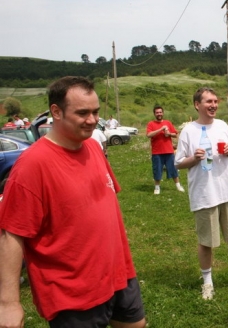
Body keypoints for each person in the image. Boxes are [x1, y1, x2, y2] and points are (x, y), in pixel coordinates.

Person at [0, 76, 146, 328]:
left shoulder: (91, 147)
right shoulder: (32, 165)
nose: (92, 120)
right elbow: (11, 234)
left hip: (117, 272)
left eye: (96, 112)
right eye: (82, 113)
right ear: (56, 112)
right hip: (73, 291)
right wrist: (8, 303)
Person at [175, 87, 228, 300]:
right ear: (197, 105)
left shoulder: (221, 126)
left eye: (215, 101)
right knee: (206, 242)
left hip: (226, 191)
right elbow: (178, 163)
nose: (213, 105)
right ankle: (208, 283)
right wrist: (194, 159)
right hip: (204, 194)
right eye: (208, 101)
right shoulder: (188, 131)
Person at [146, 106, 185, 194]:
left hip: (169, 151)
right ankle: (157, 188)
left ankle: (178, 186)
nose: (159, 114)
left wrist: (169, 134)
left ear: (163, 113)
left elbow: (175, 134)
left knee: (173, 169)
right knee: (157, 170)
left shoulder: (168, 122)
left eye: (160, 112)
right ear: (154, 114)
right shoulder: (151, 124)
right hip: (157, 152)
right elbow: (148, 135)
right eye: (157, 112)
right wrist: (161, 129)